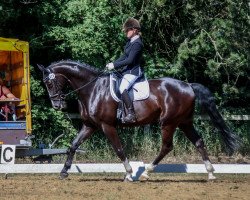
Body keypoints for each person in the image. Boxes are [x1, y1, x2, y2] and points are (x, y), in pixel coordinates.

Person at [106, 18, 144, 123]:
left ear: (135, 30)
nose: (126, 32)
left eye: (128, 30)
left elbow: (130, 60)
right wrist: (113, 64)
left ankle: (131, 114)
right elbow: (123, 56)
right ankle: (118, 110)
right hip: (127, 70)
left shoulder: (137, 44)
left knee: (123, 88)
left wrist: (114, 65)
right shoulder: (130, 42)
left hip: (133, 71)